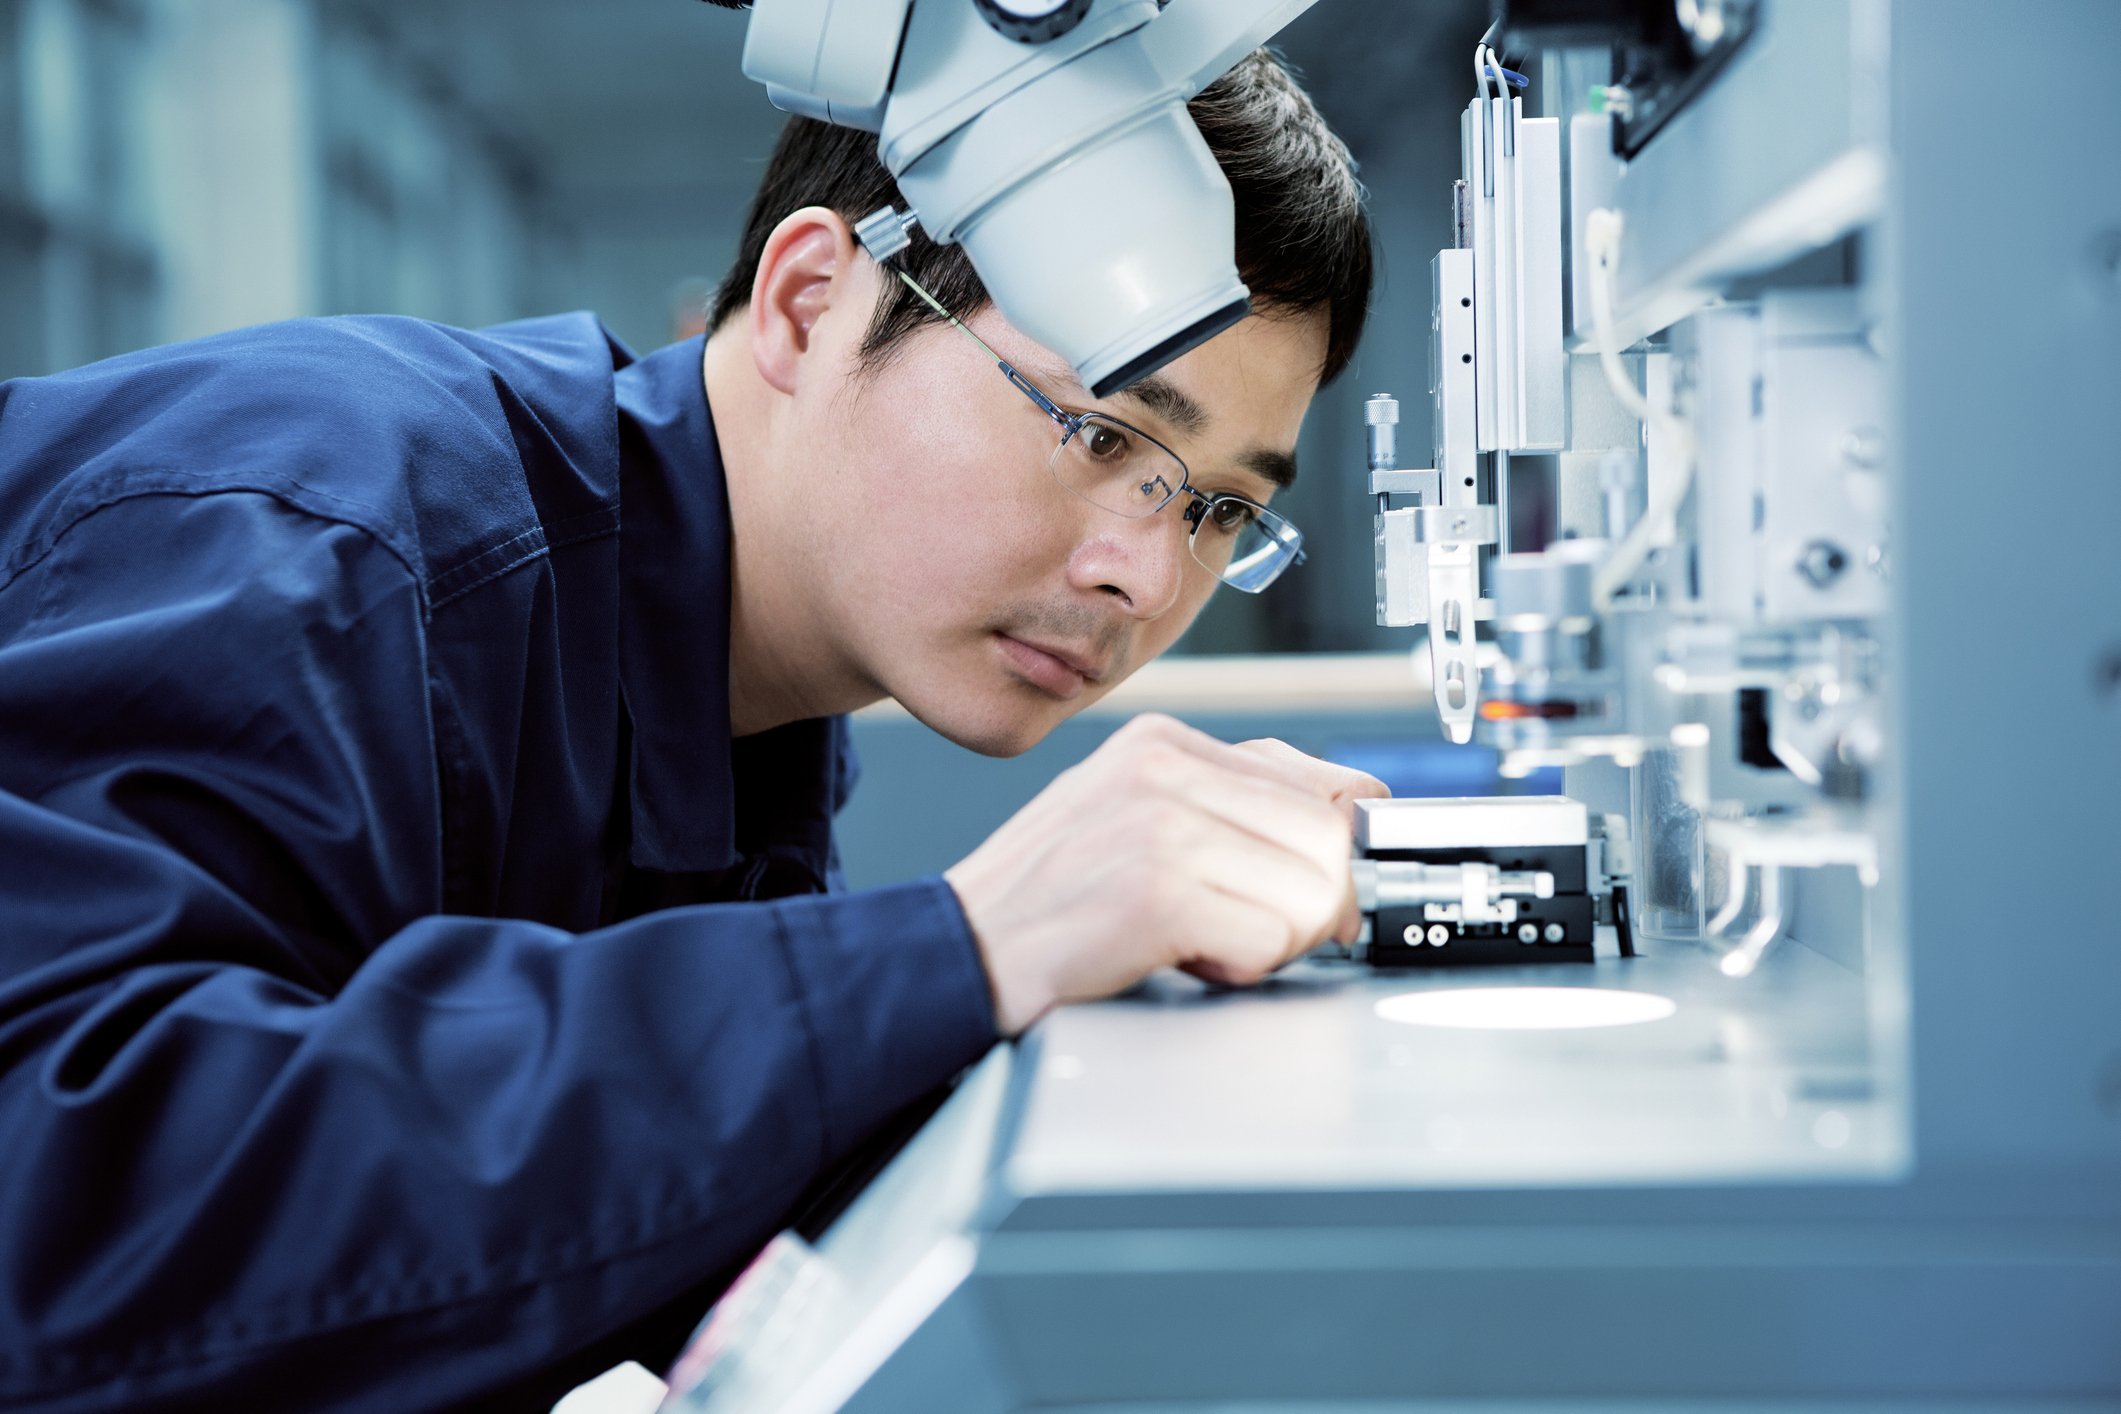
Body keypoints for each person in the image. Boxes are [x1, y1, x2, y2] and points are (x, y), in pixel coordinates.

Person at [0, 49, 1379, 1411]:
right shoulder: (333, 525)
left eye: (1215, 511)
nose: (1144, 579)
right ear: (808, 300)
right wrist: (959, 947)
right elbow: (61, 1223)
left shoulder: (731, 709)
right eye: (1096, 436)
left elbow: (631, 1217)